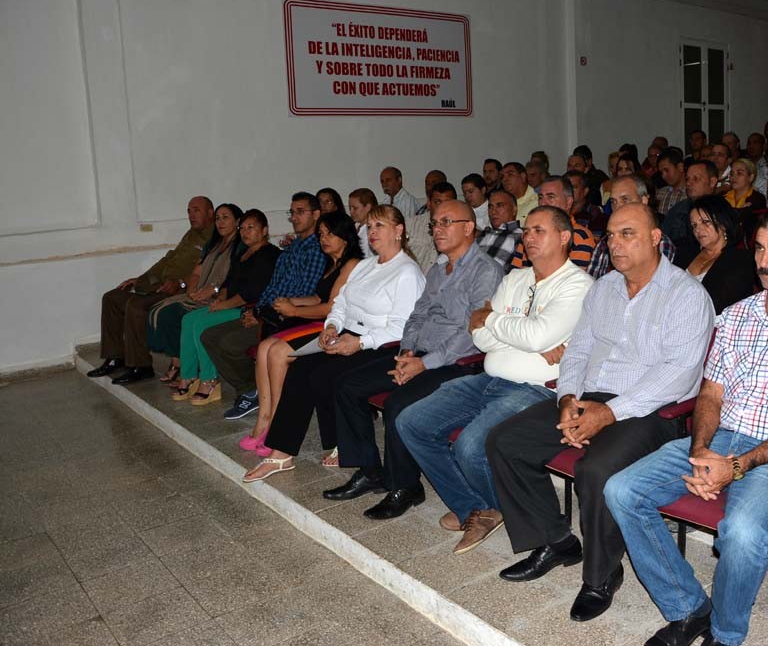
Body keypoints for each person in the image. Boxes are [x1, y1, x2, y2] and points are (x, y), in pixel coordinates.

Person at [606, 207, 768, 646]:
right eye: (760, 247)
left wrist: (736, 467)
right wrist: (701, 449)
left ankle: (725, 635)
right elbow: (710, 395)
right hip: (721, 437)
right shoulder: (737, 315)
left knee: (742, 532)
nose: (765, 259)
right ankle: (687, 608)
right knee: (622, 491)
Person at [486, 203, 714, 623]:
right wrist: (568, 399)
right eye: (611, 235)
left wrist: (609, 413)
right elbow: (579, 351)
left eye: (628, 233)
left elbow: (678, 376)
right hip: (591, 395)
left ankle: (600, 575)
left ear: (655, 238)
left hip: (652, 410)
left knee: (597, 470)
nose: (615, 243)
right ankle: (554, 541)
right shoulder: (604, 287)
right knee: (506, 440)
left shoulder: (686, 295)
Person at [398, 206, 593, 553]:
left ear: (564, 238)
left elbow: (530, 334)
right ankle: (476, 507)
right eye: (527, 231)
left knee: (471, 446)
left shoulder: (578, 285)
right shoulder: (515, 278)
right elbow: (481, 339)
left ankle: (490, 510)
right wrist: (523, 337)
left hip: (536, 391)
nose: (528, 238)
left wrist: (492, 320)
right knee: (412, 422)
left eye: (539, 231)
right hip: (488, 378)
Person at [318, 201, 504, 517]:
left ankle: (405, 486)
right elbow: (417, 315)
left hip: (457, 363)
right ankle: (370, 470)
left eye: (446, 222)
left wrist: (424, 363)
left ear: (469, 227)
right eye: (434, 223)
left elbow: (470, 332)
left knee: (397, 403)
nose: (437, 229)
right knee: (347, 385)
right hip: (418, 354)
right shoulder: (437, 268)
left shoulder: (485, 271)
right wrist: (406, 351)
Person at [243, 205, 426, 482]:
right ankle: (282, 454)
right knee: (302, 368)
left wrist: (359, 342)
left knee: (323, 374)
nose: (372, 232)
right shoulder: (365, 266)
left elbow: (402, 327)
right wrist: (332, 326)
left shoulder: (407, 272)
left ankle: (340, 445)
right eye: (370, 226)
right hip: (349, 335)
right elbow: (340, 303)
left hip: (383, 346)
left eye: (380, 226)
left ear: (399, 231)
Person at [240, 211, 365, 459]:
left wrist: (294, 310)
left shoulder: (352, 264)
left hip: (339, 327)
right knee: (265, 346)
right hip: (325, 320)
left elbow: (332, 306)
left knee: (277, 352)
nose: (324, 239)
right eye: (321, 234)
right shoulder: (333, 264)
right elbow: (318, 298)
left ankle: (275, 425)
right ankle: (264, 418)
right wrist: (290, 301)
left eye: (330, 233)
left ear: (346, 236)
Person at [203, 192, 327, 419]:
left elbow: (304, 294)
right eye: (292, 212)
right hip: (267, 314)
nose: (295, 217)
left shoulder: (318, 250)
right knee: (209, 336)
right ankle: (252, 389)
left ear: (316, 214)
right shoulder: (290, 251)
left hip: (290, 319)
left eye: (301, 212)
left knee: (230, 343)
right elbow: (271, 288)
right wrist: (254, 310)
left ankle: (260, 391)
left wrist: (261, 314)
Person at [87, 196, 215, 384]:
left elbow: (206, 271)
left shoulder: (214, 238)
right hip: (161, 284)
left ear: (210, 213)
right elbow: (168, 260)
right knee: (112, 298)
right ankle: (116, 357)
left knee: (136, 306)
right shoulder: (191, 234)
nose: (191, 215)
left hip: (178, 290)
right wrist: (142, 279)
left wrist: (180, 282)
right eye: (188, 211)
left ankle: (141, 366)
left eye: (196, 210)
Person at [171, 210, 280, 405]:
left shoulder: (269, 255)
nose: (245, 232)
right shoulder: (243, 254)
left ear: (264, 231)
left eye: (251, 228)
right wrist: (219, 299)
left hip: (249, 309)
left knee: (202, 324)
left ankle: (210, 380)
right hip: (230, 304)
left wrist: (223, 305)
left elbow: (252, 293)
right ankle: (188, 375)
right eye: (243, 228)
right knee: (188, 319)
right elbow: (228, 284)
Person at [146, 203, 245, 384]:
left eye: (225, 218)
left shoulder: (241, 247)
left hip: (220, 297)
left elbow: (235, 280)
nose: (220, 222)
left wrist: (213, 289)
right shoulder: (213, 244)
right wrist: (191, 288)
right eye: (217, 219)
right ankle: (181, 363)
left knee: (172, 315)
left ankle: (183, 365)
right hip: (200, 293)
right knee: (158, 310)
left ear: (238, 221)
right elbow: (196, 272)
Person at [673, 196, 756, 314]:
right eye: (694, 225)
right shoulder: (684, 253)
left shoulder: (741, 260)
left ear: (723, 223)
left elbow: (719, 303)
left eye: (705, 222)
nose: (698, 229)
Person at [588, 175, 676, 279]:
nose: (618, 207)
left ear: (644, 201)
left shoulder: (658, 242)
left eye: (625, 199)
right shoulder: (605, 242)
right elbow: (592, 285)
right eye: (613, 202)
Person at [509, 177, 596, 270]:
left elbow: (575, 279)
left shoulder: (580, 237)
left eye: (551, 197)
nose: (543, 203)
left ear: (568, 202)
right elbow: (515, 275)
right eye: (540, 197)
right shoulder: (529, 235)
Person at [661, 160, 718, 250]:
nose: (688, 183)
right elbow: (663, 242)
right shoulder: (677, 210)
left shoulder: (722, 210)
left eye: (695, 179)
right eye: (687, 179)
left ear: (712, 182)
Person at [407, 182, 459, 274]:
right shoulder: (410, 225)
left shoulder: (462, 228)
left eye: (447, 203)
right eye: (437, 202)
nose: (442, 207)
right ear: (429, 203)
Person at [476, 188, 522, 273]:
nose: (493, 211)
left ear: (514, 210)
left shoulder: (520, 236)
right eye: (490, 207)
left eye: (499, 205)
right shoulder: (483, 234)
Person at [653, 147, 687, 216]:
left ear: (680, 167)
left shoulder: (690, 194)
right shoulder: (659, 194)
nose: (663, 176)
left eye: (666, 170)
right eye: (661, 172)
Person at [348, 188, 378, 256]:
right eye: (350, 208)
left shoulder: (373, 231)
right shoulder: (354, 225)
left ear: (368, 207)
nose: (351, 212)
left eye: (355, 208)